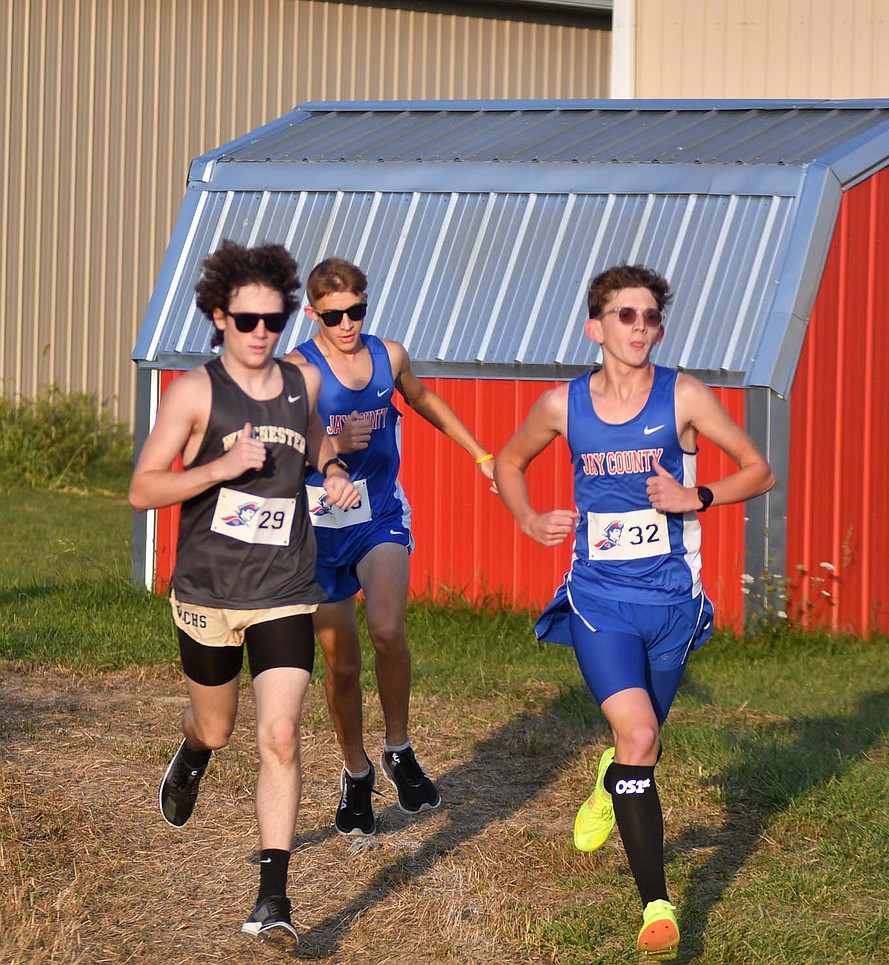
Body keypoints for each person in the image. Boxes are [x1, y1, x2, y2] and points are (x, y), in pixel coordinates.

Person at [494, 264, 775, 960]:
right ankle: (657, 903)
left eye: (651, 316)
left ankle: (607, 778)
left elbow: (758, 468)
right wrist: (529, 519)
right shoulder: (564, 407)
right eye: (625, 315)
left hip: (673, 604)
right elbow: (508, 461)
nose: (640, 327)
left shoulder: (683, 394)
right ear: (596, 326)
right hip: (600, 600)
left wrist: (696, 495)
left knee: (637, 745)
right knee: (642, 735)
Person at [128, 240, 360, 946]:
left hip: (285, 584)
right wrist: (220, 466)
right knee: (221, 726)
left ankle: (273, 897)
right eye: (247, 320)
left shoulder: (301, 382)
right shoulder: (195, 392)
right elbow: (143, 489)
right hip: (207, 589)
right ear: (219, 316)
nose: (261, 333)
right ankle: (194, 751)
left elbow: (315, 436)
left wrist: (334, 467)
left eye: (273, 320)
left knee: (282, 733)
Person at [285, 257, 496, 836]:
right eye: (334, 316)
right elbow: (281, 440)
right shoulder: (298, 369)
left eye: (357, 311)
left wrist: (481, 454)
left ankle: (398, 748)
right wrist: (329, 443)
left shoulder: (389, 356)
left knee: (387, 630)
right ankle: (356, 773)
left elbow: (424, 400)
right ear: (312, 314)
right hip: (318, 530)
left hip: (378, 516)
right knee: (342, 662)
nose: (348, 324)